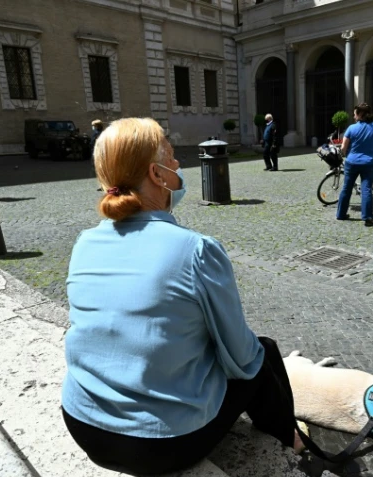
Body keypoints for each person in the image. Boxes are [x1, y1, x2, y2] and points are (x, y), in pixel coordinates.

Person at [61, 117, 304, 475]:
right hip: (159, 446)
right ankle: (292, 441)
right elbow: (241, 354)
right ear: (156, 175)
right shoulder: (196, 250)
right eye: (171, 158)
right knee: (262, 352)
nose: (178, 165)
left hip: (82, 425)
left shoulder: (84, 242)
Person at [92, 119, 106, 191]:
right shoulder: (104, 132)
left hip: (98, 153)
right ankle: (103, 185)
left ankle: (103, 185)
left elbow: (93, 143)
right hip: (102, 153)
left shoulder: (97, 133)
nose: (93, 127)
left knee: (100, 169)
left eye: (93, 126)